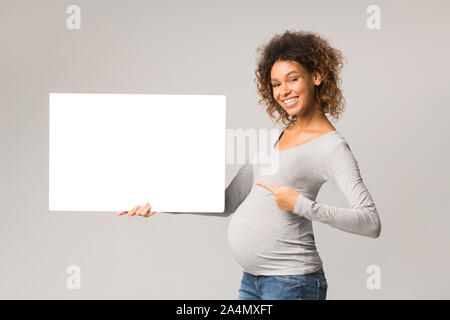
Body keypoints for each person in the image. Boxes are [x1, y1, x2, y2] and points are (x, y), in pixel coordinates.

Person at [117, 30, 382, 300]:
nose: (284, 91)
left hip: (293, 283)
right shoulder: (274, 138)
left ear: (316, 76)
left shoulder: (330, 146)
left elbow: (371, 223)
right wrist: (161, 202)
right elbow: (227, 202)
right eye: (276, 84)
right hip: (252, 282)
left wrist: (300, 205)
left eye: (292, 79)